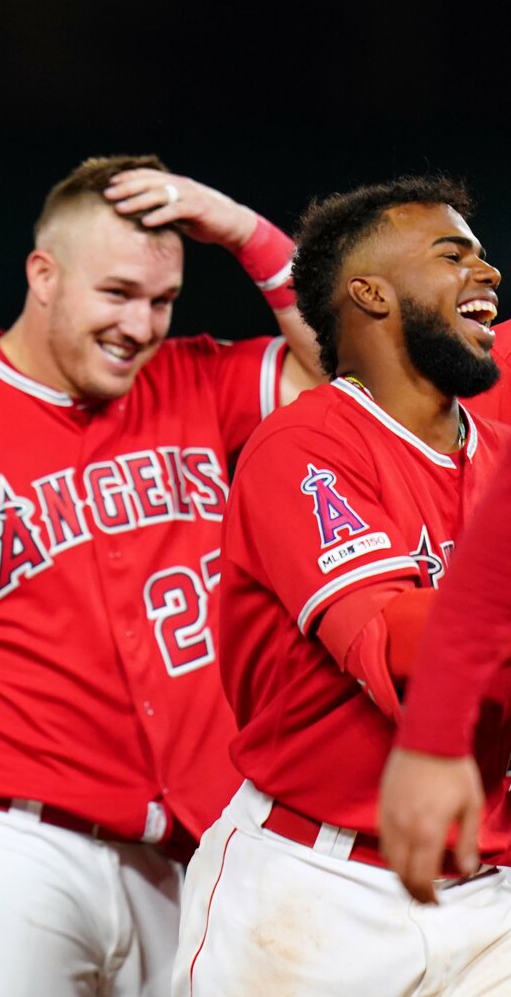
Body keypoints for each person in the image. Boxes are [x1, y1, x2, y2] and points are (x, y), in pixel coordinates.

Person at [0, 154, 323, 997]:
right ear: (43, 274)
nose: (141, 325)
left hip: (188, 858)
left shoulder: (197, 384)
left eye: (162, 301)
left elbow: (346, 371)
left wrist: (239, 229)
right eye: (116, 293)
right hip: (4, 847)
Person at [176, 176, 511, 994]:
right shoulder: (308, 445)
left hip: (491, 888)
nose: (489, 271)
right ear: (371, 292)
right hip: (317, 892)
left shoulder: (494, 445)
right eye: (452, 252)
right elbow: (399, 655)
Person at [379, 453, 511, 904]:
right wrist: (436, 734)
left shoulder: (492, 442)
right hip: (335, 865)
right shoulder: (308, 439)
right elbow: (384, 629)